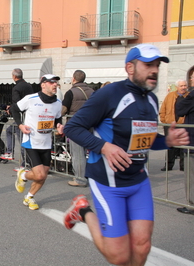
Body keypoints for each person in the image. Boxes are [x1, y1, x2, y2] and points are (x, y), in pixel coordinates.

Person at [61, 44, 189, 266]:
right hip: (108, 182)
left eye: (157, 65)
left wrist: (166, 141)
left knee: (142, 247)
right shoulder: (109, 94)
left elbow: (144, 140)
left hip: (138, 181)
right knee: (119, 256)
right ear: (130, 67)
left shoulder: (151, 100)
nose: (155, 70)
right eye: (148, 65)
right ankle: (83, 211)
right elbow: (73, 128)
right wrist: (103, 147)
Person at [12, 74, 62, 210]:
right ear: (43, 84)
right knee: (39, 174)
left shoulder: (58, 103)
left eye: (56, 82)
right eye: (52, 82)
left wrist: (59, 125)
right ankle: (23, 175)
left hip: (46, 143)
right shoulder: (31, 99)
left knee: (43, 176)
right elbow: (14, 109)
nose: (55, 85)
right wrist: (20, 125)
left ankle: (29, 197)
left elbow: (58, 118)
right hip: (31, 142)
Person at [62, 70, 94, 187]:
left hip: (76, 126)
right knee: (88, 152)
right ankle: (88, 175)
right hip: (90, 125)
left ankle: (80, 179)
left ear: (73, 79)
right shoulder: (92, 91)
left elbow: (64, 110)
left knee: (78, 153)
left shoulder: (71, 92)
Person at [0, 68, 34, 167]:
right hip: (29, 114)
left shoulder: (16, 88)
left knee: (22, 140)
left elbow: (17, 104)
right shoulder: (29, 86)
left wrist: (10, 110)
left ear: (14, 76)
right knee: (9, 130)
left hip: (21, 117)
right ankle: (10, 152)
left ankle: (26, 163)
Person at [159, 79, 188, 171]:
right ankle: (169, 165)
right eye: (181, 86)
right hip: (169, 124)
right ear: (176, 87)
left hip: (183, 124)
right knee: (170, 145)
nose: (183, 88)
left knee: (182, 146)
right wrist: (164, 120)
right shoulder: (170, 95)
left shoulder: (189, 96)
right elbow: (163, 108)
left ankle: (183, 165)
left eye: (185, 86)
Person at [175, 84, 194, 215]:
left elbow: (180, 109)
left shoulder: (191, 95)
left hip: (192, 143)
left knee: (191, 175)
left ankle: (192, 204)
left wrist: (183, 96)